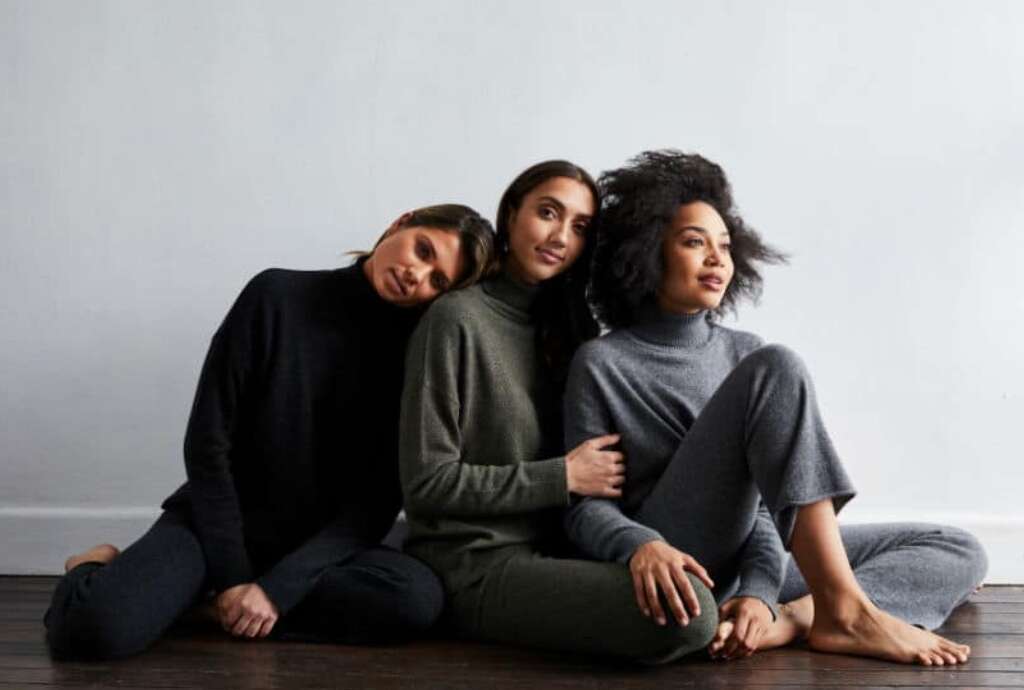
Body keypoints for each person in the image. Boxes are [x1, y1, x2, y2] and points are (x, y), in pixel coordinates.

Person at [563, 150, 988, 666]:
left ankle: (803, 617)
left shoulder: (743, 351)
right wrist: (640, 546)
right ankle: (845, 610)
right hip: (676, 558)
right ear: (647, 252)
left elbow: (767, 509)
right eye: (694, 242)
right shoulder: (602, 362)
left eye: (725, 245)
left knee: (957, 547)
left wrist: (763, 592)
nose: (717, 259)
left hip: (749, 557)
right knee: (777, 366)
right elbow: (585, 509)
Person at [44, 204, 495, 659]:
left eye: (438, 281)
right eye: (423, 250)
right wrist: (233, 577)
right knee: (94, 629)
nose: (417, 275)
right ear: (401, 223)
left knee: (415, 599)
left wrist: (277, 590)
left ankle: (213, 610)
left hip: (311, 549)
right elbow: (207, 444)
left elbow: (376, 501)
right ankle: (93, 565)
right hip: (216, 526)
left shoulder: (415, 354)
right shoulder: (276, 295)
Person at [399, 160, 719, 664]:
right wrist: (562, 477)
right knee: (692, 613)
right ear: (511, 215)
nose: (560, 237)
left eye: (580, 227)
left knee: (722, 575)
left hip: (567, 548)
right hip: (477, 564)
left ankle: (790, 611)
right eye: (548, 213)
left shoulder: (573, 333)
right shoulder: (455, 319)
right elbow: (427, 484)